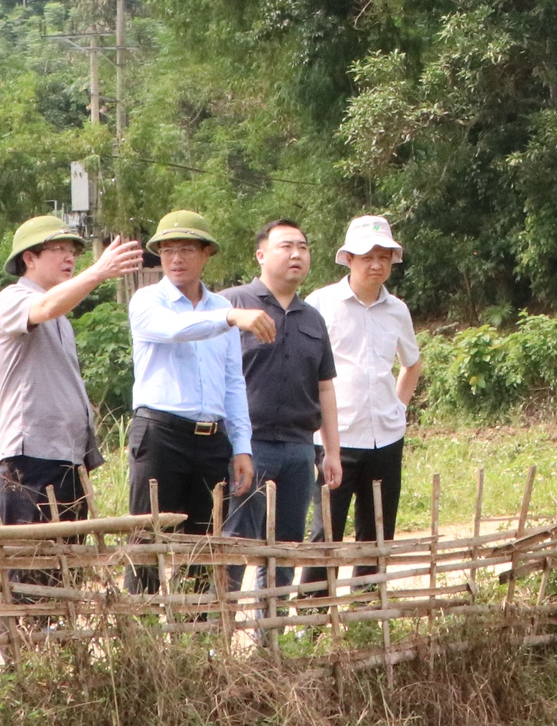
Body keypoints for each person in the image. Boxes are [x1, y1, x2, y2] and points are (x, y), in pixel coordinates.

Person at [123, 210, 272, 593]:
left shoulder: (220, 306)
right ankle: (140, 639)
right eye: (167, 250)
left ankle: (195, 642)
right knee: (147, 540)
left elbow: (232, 382)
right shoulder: (147, 300)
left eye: (187, 249)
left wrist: (241, 447)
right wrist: (229, 317)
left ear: (207, 253)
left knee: (203, 548)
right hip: (160, 434)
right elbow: (174, 330)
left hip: (210, 439)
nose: (175, 259)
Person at [0, 214, 141, 527]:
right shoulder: (13, 298)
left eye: (72, 250)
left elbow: (53, 307)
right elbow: (45, 307)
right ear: (29, 258)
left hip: (66, 456)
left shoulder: (61, 317)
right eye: (58, 249)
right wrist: (98, 272)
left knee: (65, 568)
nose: (69, 257)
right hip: (30, 457)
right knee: (31, 568)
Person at [218, 219, 342, 594]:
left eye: (303, 247)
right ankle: (215, 638)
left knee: (286, 547)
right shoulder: (231, 304)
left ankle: (270, 640)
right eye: (286, 246)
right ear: (260, 255)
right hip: (246, 446)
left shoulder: (313, 318)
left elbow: (325, 389)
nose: (296, 255)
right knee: (236, 543)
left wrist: (332, 451)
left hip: (299, 448)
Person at [308, 215, 421, 569]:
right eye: (368, 256)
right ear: (349, 259)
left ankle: (366, 617)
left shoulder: (397, 310)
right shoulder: (321, 304)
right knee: (326, 533)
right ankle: (312, 617)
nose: (376, 264)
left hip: (385, 439)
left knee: (376, 534)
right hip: (335, 440)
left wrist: (397, 409)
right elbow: (306, 369)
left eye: (384, 257)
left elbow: (412, 363)